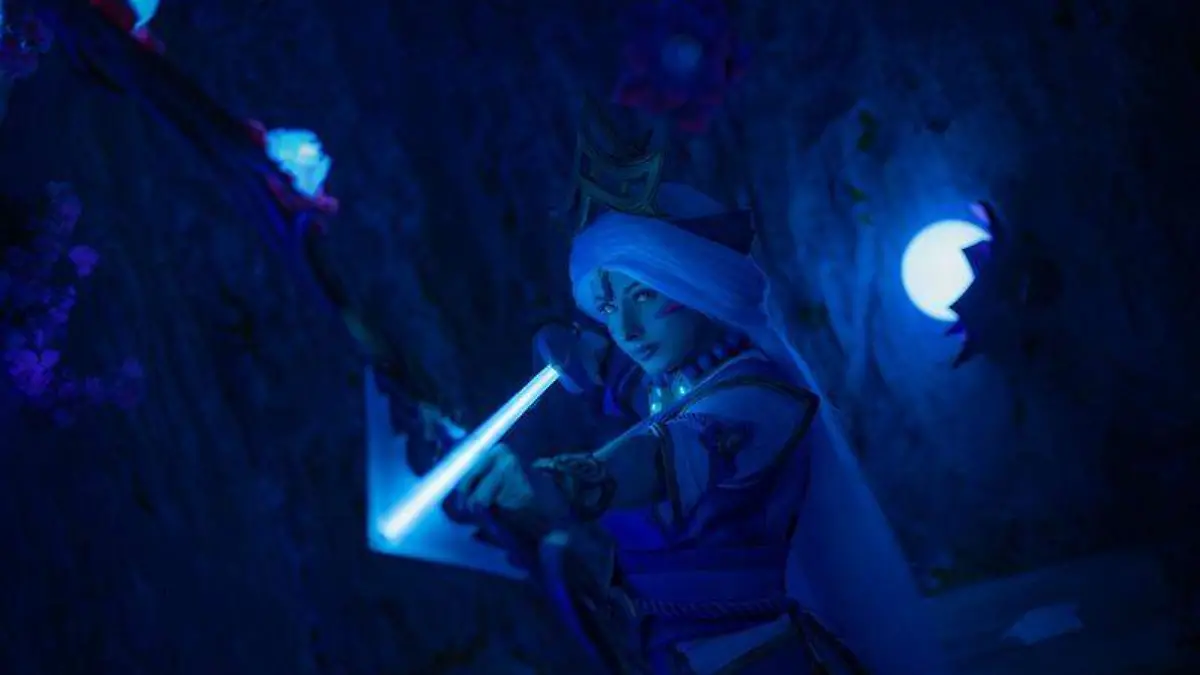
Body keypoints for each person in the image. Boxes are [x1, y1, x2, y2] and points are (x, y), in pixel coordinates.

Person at [452, 182, 946, 675]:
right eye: (609, 307)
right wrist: (581, 350)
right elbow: (623, 375)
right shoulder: (675, 383)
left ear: (695, 284)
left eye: (644, 294)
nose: (626, 329)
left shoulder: (757, 399)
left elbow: (649, 461)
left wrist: (553, 483)